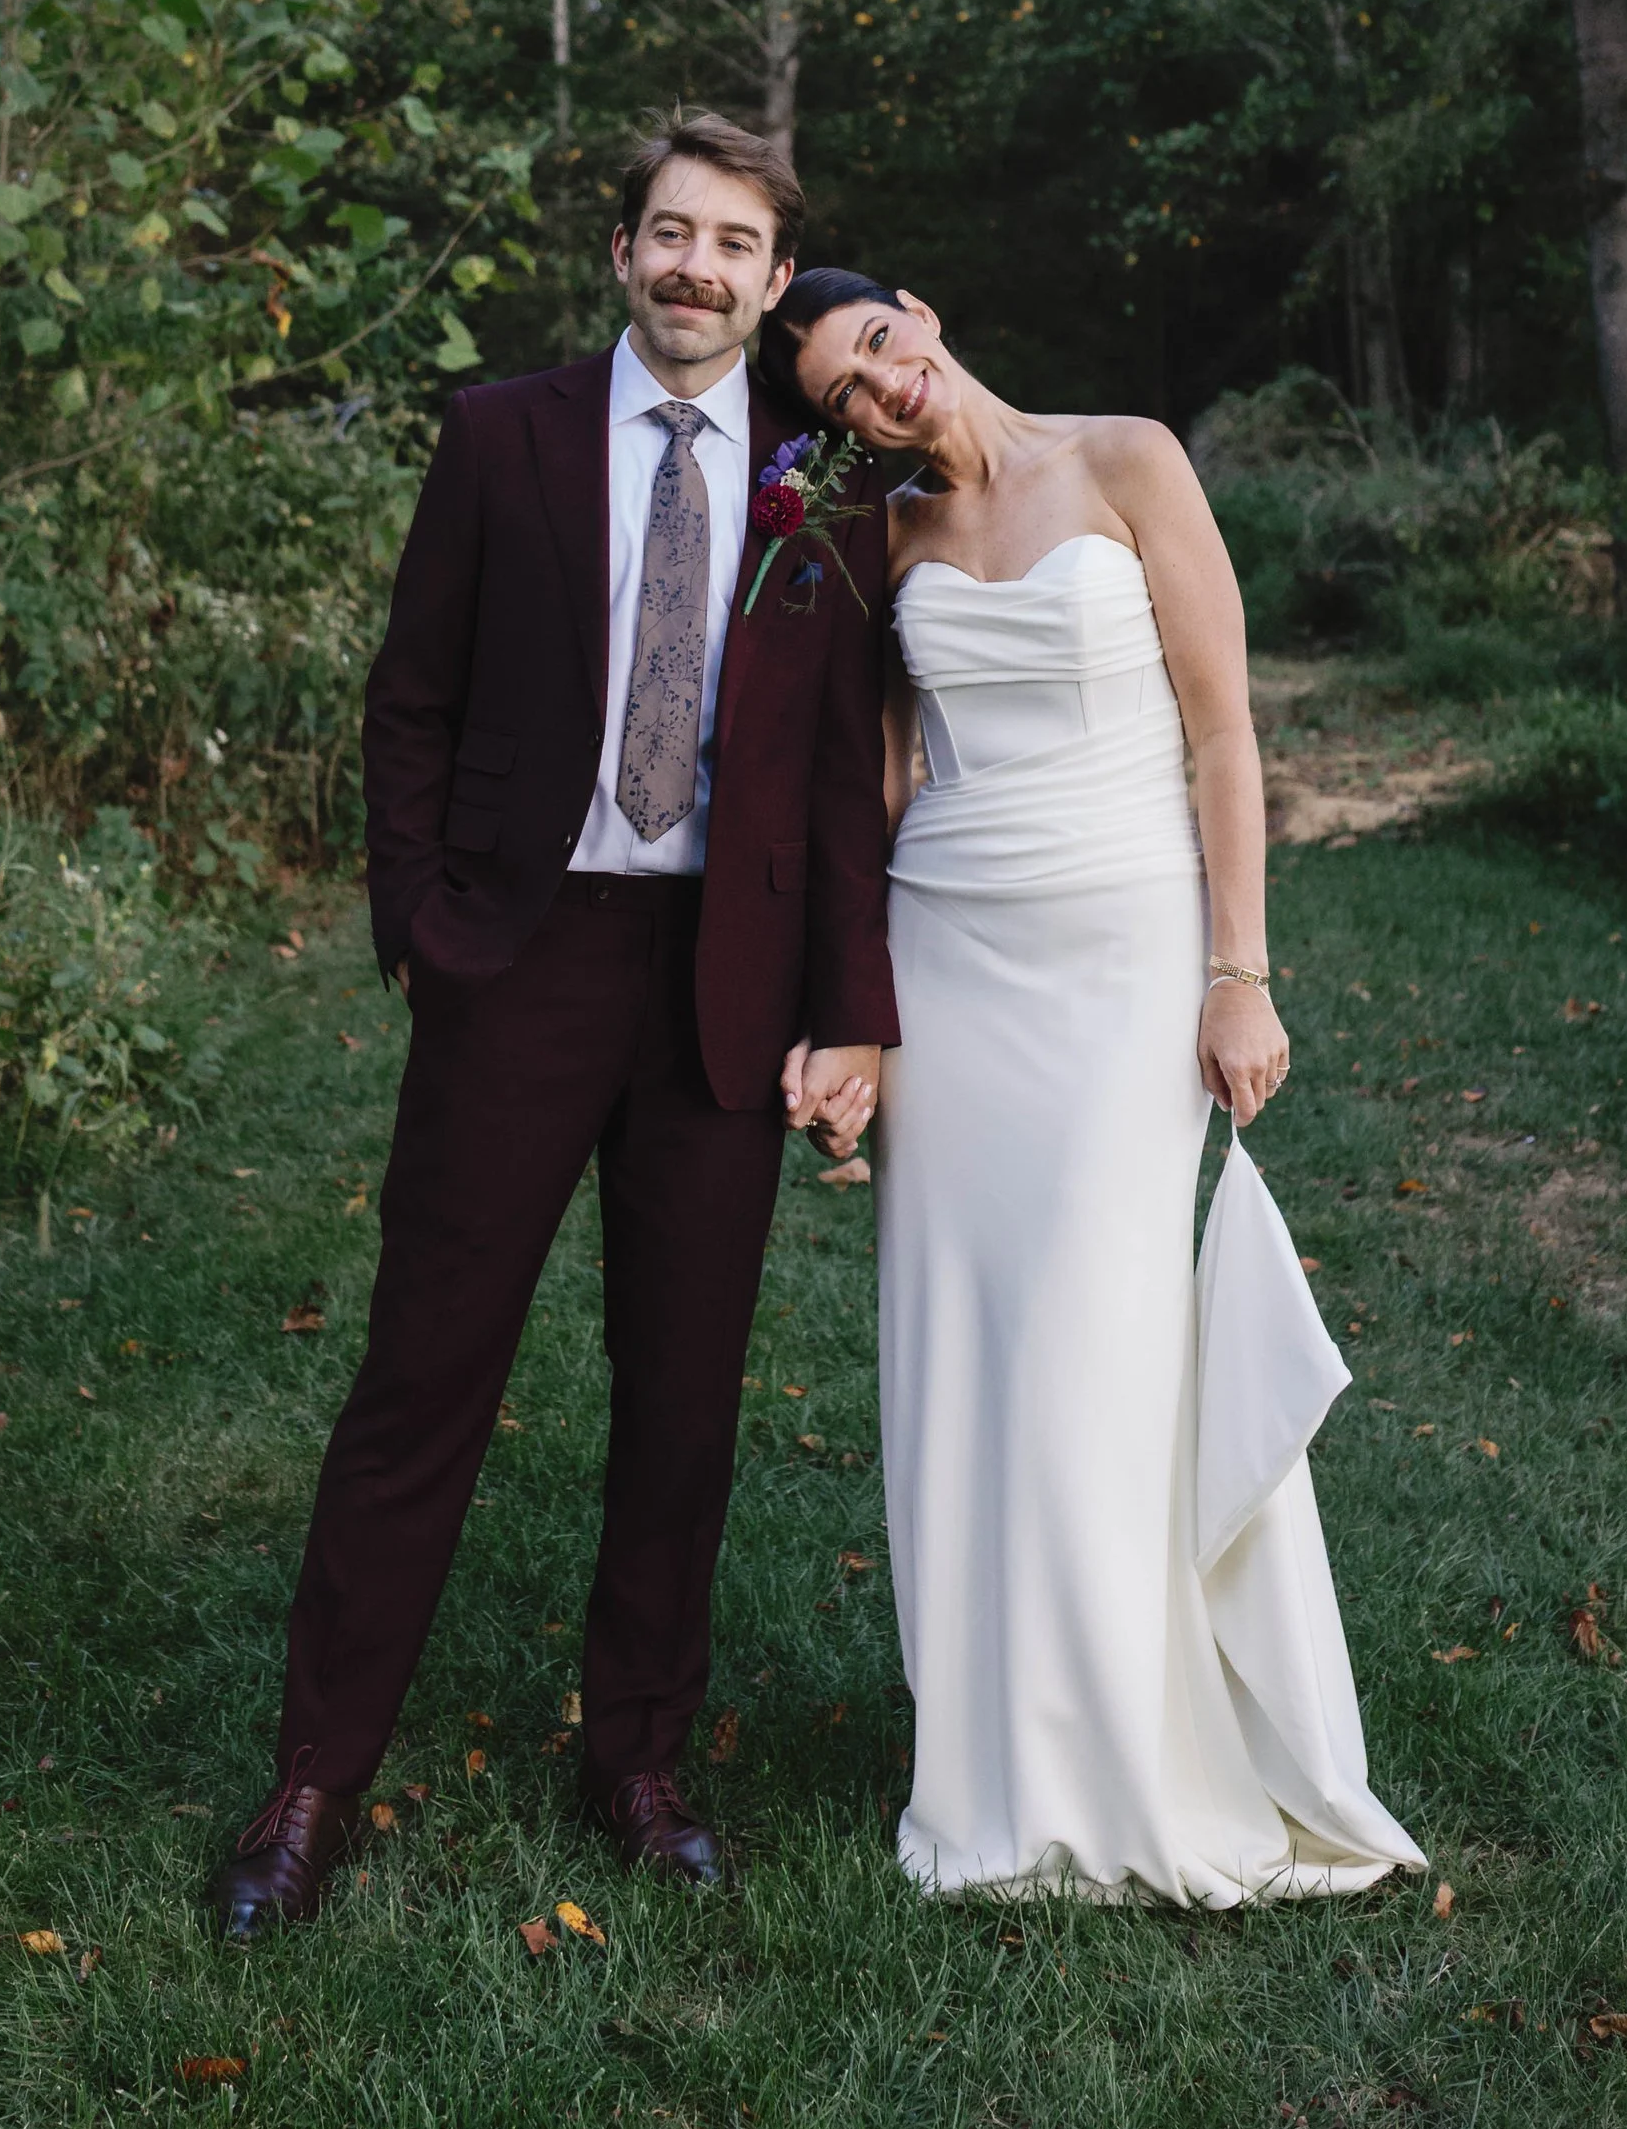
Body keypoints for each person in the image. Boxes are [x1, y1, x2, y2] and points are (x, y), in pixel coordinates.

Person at [209, 121, 895, 1938]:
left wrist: (853, 1011)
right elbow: (409, 696)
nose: (696, 266)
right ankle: (314, 1780)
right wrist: (423, 928)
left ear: (769, 279)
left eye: (733, 243)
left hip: (719, 985)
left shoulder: (820, 478)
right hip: (521, 955)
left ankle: (638, 1758)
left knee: (682, 1394)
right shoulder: (499, 433)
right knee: (422, 1376)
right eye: (670, 232)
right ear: (620, 252)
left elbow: (839, 779)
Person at [759, 269, 1422, 1907]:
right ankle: (993, 1756)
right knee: (971, 1344)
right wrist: (857, 1017)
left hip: (1127, 952)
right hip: (952, 958)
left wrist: (1237, 967)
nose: (884, 389)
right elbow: (888, 778)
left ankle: (1141, 1742)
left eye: (882, 345)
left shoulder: (1128, 459)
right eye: (845, 391)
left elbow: (1221, 731)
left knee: (1102, 1338)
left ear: (925, 310)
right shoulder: (888, 541)